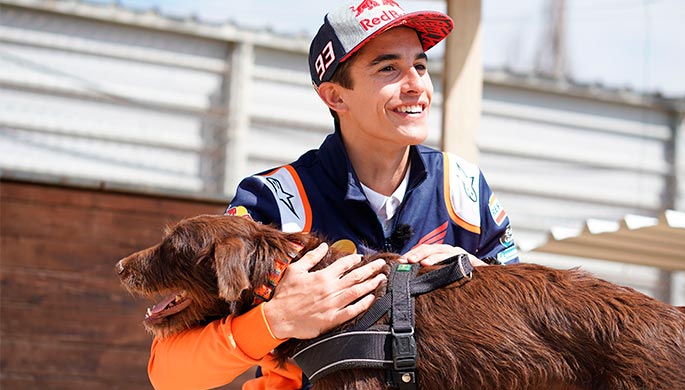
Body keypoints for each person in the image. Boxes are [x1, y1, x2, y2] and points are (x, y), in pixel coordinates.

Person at [147, 1, 519, 389]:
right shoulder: (273, 202)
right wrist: (277, 320)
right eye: (389, 68)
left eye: (421, 66)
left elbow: (529, 326)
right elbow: (169, 373)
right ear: (335, 97)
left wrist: (480, 275)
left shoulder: (465, 189)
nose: (416, 85)